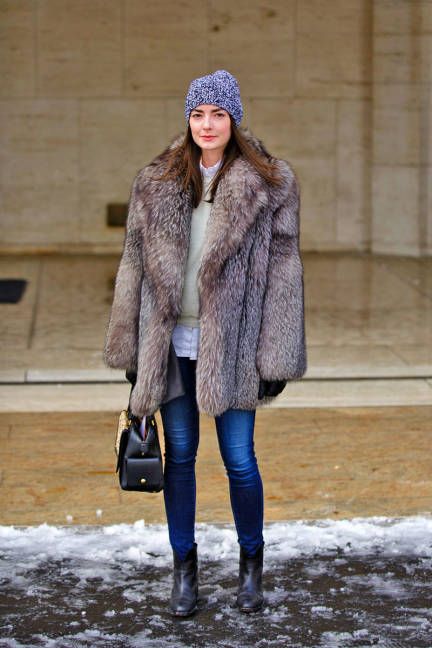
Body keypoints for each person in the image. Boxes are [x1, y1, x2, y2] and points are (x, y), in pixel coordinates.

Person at [104, 69, 307, 617]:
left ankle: (250, 569)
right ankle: (184, 571)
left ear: (233, 119)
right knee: (181, 458)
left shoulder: (270, 183)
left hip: (236, 345)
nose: (207, 124)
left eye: (218, 114)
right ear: (187, 119)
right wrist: (132, 349)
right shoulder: (157, 181)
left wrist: (277, 353)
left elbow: (285, 272)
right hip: (170, 345)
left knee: (240, 460)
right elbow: (133, 268)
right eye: (197, 114)